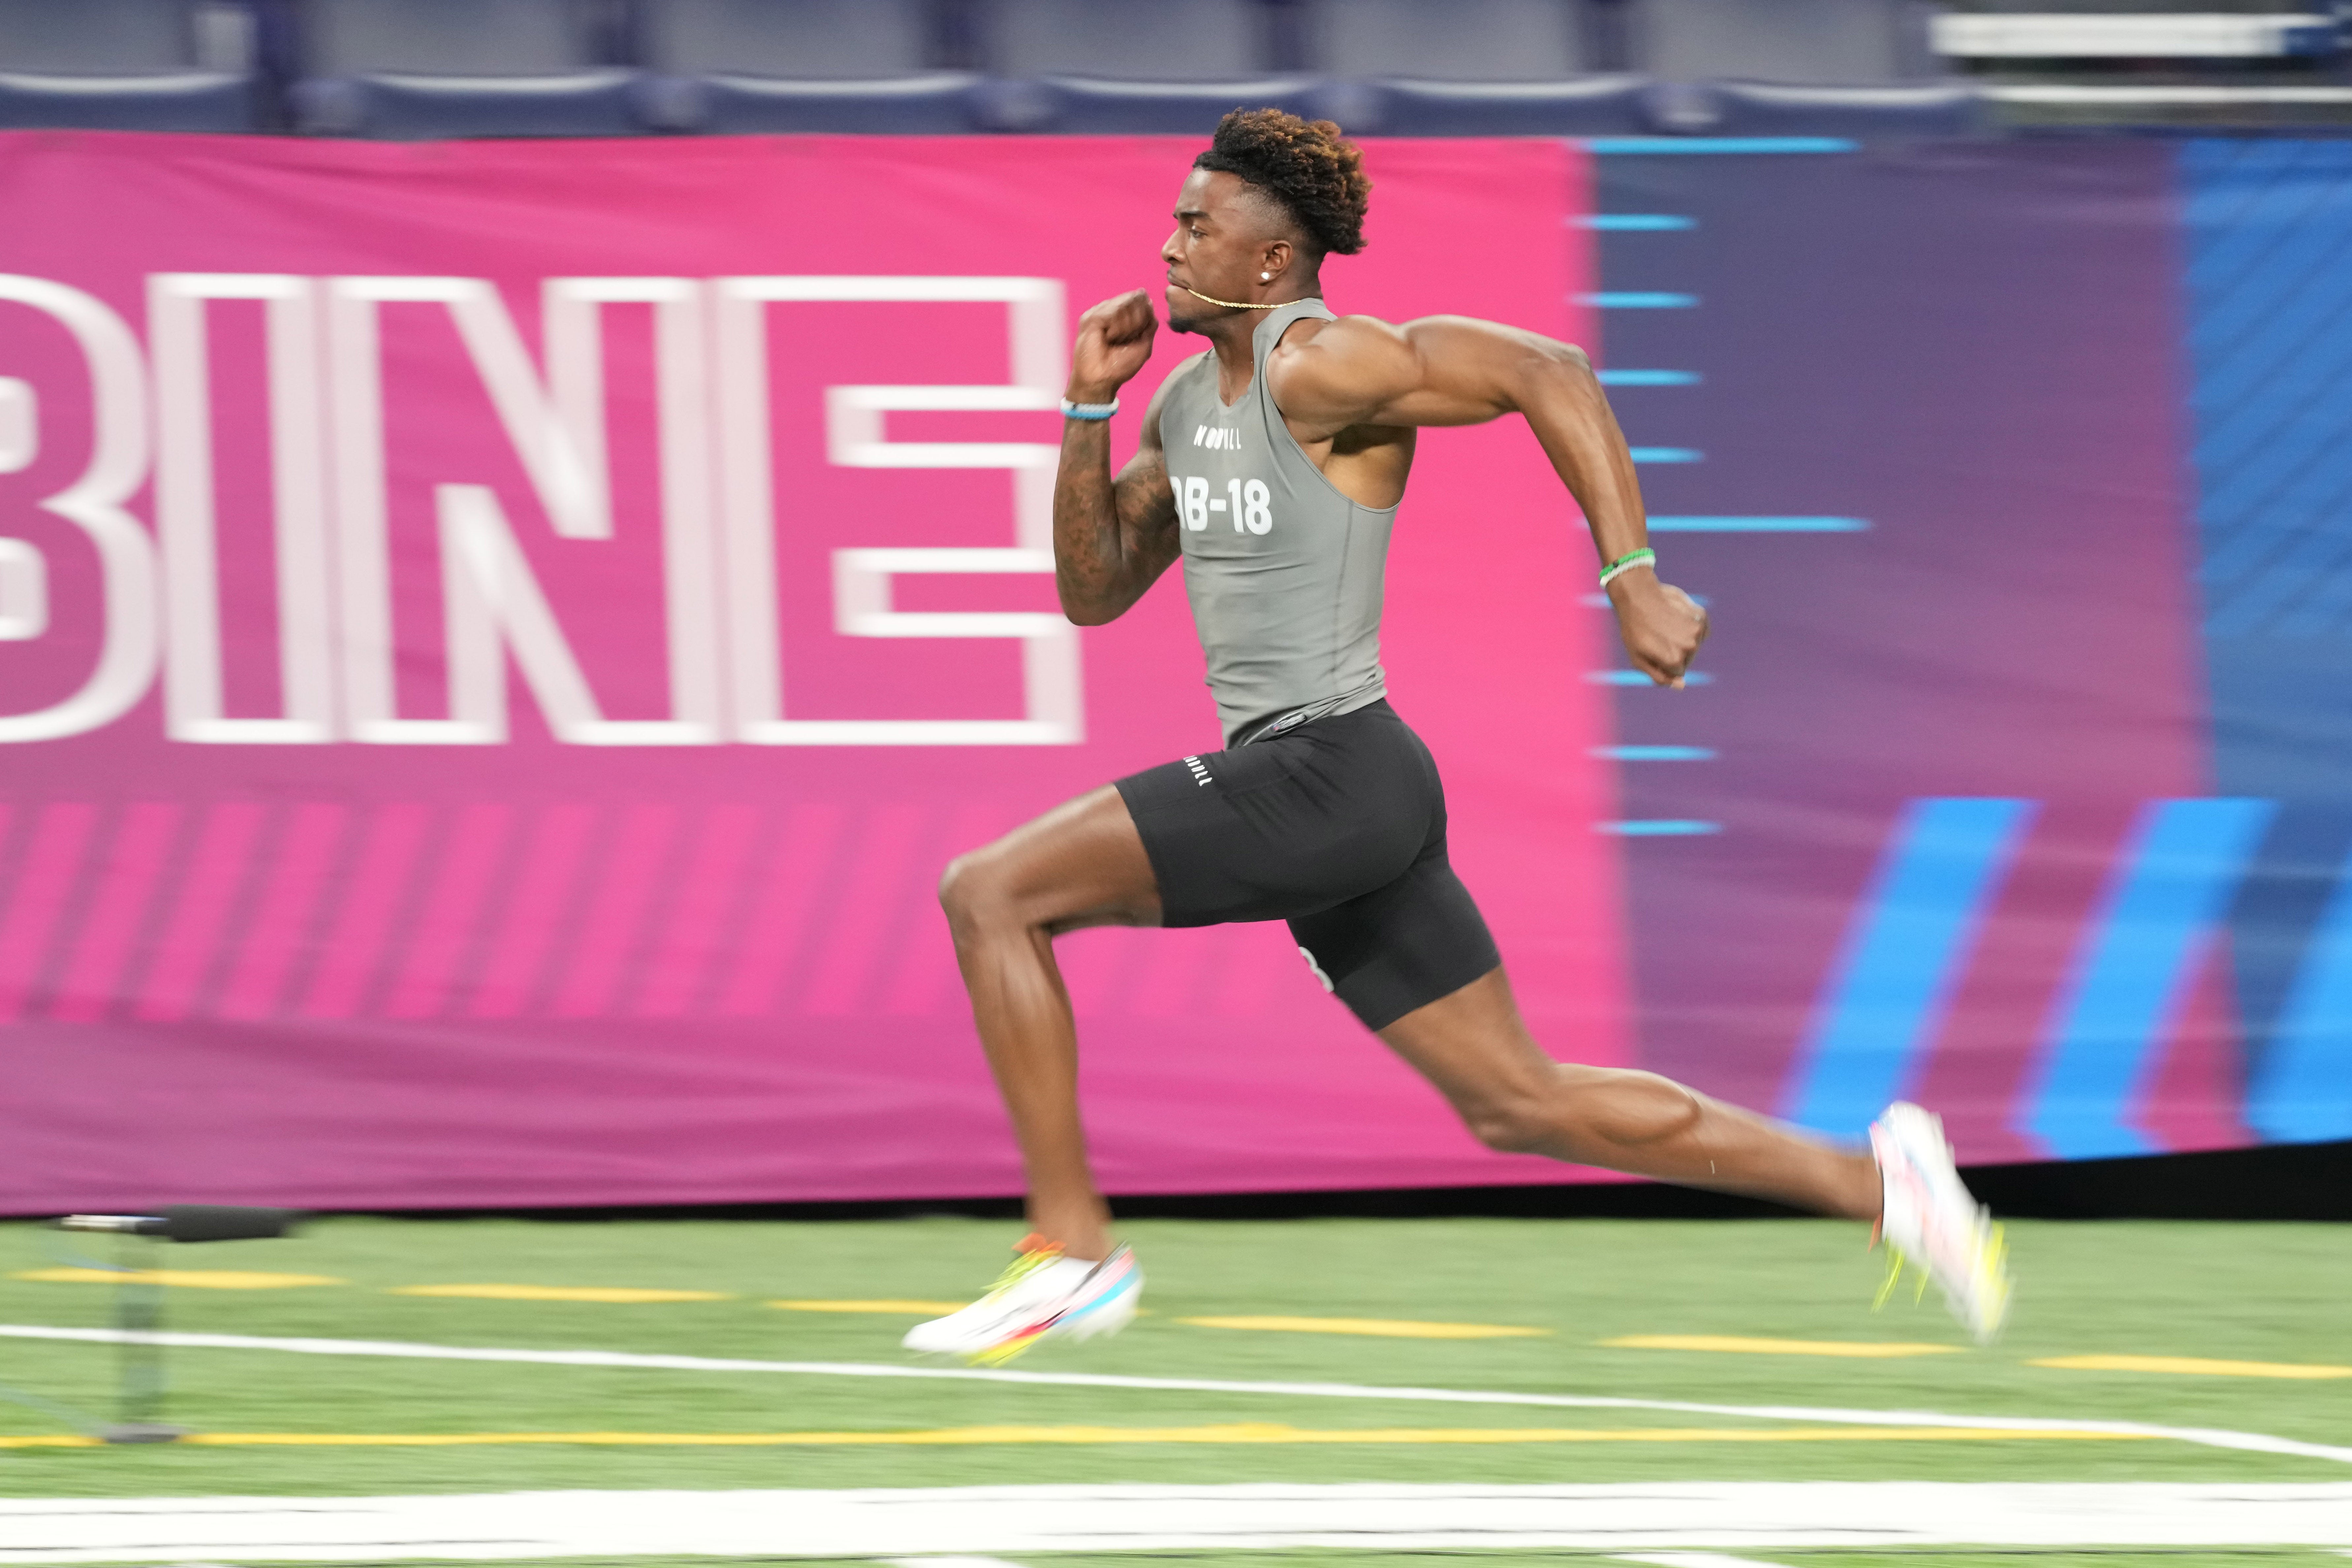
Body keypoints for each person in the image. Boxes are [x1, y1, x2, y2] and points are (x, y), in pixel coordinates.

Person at [903, 109, 2007, 1366]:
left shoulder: (1323, 366)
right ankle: (1882, 1184)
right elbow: (1094, 590)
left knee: (990, 893)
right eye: (1174, 222)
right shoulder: (1183, 403)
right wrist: (1086, 408)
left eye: (1197, 227)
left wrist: (1632, 577)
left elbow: (1549, 369)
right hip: (1341, 789)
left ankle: (1073, 1254)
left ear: (1270, 260)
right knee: (1517, 1103)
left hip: (1326, 771)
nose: (1169, 246)